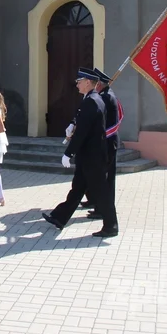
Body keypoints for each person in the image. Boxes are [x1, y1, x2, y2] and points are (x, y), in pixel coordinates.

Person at [42, 67, 119, 238]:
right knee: (77, 188)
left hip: (93, 156)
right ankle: (59, 217)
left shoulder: (92, 101)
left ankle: (111, 226)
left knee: (101, 191)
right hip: (90, 155)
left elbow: (82, 132)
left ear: (88, 83)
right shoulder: (93, 99)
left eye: (79, 81)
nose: (77, 84)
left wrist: (68, 153)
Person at [86, 67, 122, 221]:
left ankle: (103, 209)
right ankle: (99, 205)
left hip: (107, 142)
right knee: (103, 177)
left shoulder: (106, 97)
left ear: (100, 84)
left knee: (105, 178)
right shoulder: (106, 95)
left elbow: (106, 122)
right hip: (107, 140)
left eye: (96, 84)